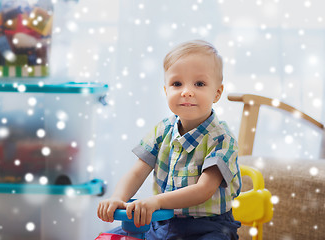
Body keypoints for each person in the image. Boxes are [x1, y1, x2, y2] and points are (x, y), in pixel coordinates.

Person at [97, 39, 242, 240]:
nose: (187, 91)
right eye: (177, 84)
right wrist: (118, 198)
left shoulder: (221, 139)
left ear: (217, 93)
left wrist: (156, 201)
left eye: (199, 83)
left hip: (208, 227)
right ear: (166, 91)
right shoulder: (162, 130)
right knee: (109, 237)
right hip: (162, 220)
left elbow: (203, 189)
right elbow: (137, 173)